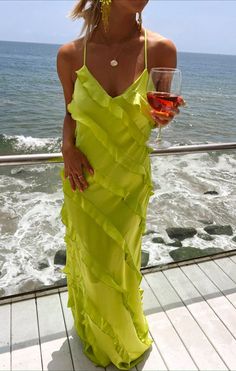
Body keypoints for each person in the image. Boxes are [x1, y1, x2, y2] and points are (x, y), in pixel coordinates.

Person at [57, 0, 182, 369]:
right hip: (85, 176)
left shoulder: (161, 49)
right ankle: (95, 332)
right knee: (92, 263)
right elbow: (68, 112)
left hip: (129, 180)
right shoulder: (70, 55)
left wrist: (165, 116)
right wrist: (67, 147)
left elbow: (158, 116)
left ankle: (123, 338)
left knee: (120, 263)